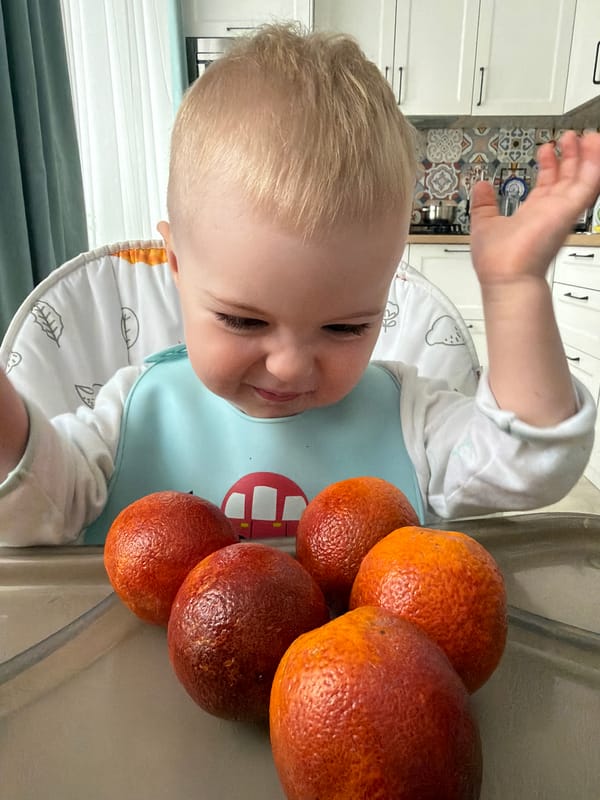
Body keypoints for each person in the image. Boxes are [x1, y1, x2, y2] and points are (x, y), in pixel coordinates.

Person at [1, 24, 599, 546]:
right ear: (176, 267)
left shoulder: (411, 423)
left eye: (344, 327)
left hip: (362, 669)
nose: (289, 367)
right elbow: (33, 506)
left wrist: (516, 289)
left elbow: (529, 465)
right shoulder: (134, 413)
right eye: (244, 319)